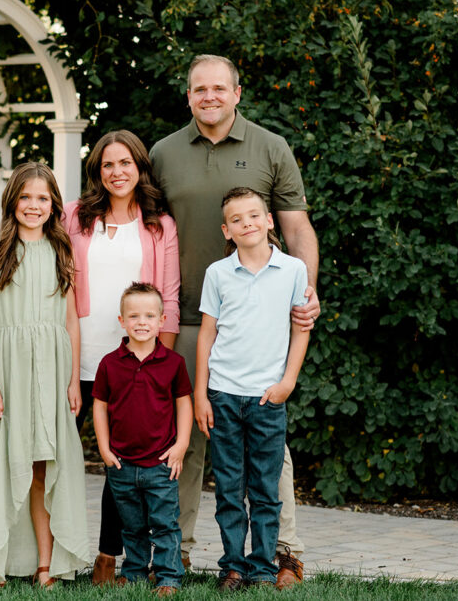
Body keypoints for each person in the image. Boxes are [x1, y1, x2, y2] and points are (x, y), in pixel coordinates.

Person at [149, 54, 320, 588]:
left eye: (219, 88)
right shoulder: (163, 153)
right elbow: (144, 229)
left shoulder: (271, 147)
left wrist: (306, 293)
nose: (210, 96)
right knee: (184, 435)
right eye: (199, 89)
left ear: (237, 93)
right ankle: (176, 552)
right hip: (182, 319)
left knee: (268, 443)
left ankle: (284, 553)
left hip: (258, 319)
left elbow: (297, 228)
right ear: (188, 96)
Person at [0, 162, 90, 588]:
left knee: (44, 466)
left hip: (53, 369)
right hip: (9, 369)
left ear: (54, 205)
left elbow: (71, 321)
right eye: (26, 197)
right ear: (12, 201)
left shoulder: (63, 251)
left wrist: (73, 381)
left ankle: (45, 566)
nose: (34, 205)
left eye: (43, 198)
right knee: (3, 463)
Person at [63, 129, 180, 584]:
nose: (117, 172)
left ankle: (107, 558)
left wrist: (159, 365)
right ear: (97, 170)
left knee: (121, 463)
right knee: (54, 455)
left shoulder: (159, 225)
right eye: (107, 164)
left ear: (140, 167)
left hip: (132, 364)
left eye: (125, 163)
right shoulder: (75, 216)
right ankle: (46, 554)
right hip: (76, 355)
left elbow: (169, 298)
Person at [195, 187, 310, 589]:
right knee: (228, 489)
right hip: (223, 395)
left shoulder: (293, 270)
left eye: (254, 215)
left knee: (265, 489)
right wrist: (201, 394)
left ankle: (261, 567)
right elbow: (207, 335)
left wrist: (287, 382)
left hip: (267, 397)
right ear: (226, 230)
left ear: (269, 220)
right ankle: (232, 566)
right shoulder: (217, 273)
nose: (247, 223)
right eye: (237, 219)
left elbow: (301, 329)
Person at [92, 282, 192, 596]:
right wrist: (104, 448)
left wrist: (181, 445)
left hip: (161, 463)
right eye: (134, 316)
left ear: (162, 321)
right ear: (122, 321)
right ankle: (134, 573)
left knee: (164, 524)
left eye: (149, 316)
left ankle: (168, 578)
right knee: (131, 526)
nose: (142, 322)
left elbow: (184, 404)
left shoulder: (173, 363)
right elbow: (100, 406)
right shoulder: (110, 363)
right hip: (122, 463)